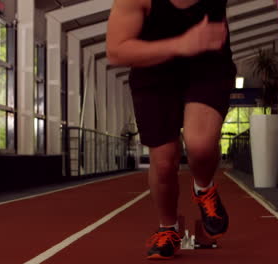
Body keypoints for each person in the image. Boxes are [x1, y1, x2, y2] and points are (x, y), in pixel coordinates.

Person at [106, 0, 237, 259]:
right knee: (165, 162)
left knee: (199, 144)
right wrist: (181, 44)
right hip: (153, 73)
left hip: (207, 64)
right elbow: (116, 51)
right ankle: (168, 229)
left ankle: (204, 189)